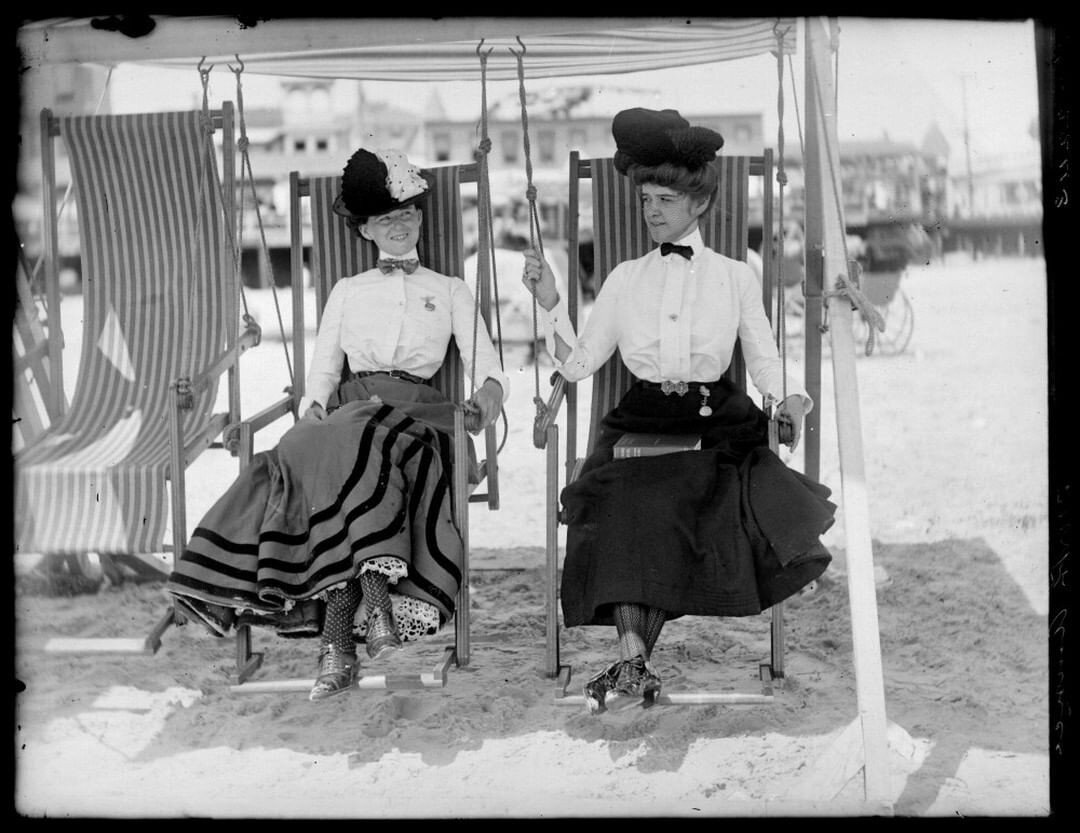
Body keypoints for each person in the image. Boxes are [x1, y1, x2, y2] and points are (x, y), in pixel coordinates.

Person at [166, 147, 509, 702]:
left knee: (349, 453)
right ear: (366, 231)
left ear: (421, 218)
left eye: (408, 215)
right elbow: (321, 377)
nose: (399, 227)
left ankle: (338, 646)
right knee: (293, 460)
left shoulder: (449, 290)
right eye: (386, 220)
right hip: (349, 409)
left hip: (418, 415)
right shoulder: (347, 292)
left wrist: (486, 399)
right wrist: (312, 418)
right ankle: (367, 619)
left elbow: (491, 371)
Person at [522, 108, 834, 714]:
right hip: (641, 422)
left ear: (698, 205)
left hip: (717, 423)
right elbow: (578, 361)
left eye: (666, 198)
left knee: (672, 506)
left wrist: (789, 398)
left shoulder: (735, 277)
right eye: (645, 200)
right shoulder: (623, 278)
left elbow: (765, 359)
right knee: (620, 502)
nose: (653, 211)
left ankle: (633, 661)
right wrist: (551, 301)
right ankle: (634, 659)